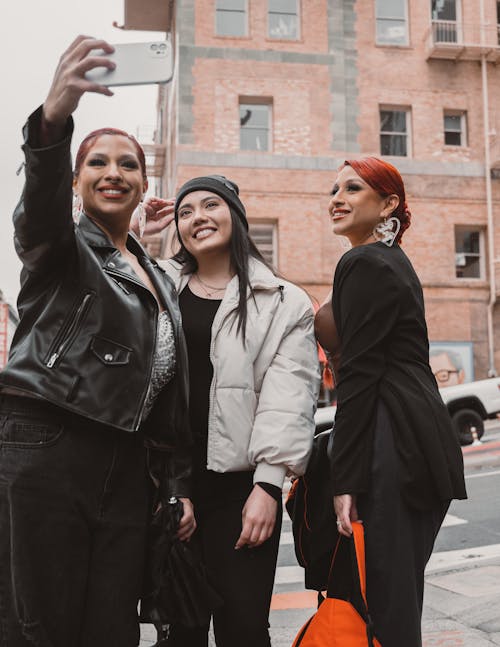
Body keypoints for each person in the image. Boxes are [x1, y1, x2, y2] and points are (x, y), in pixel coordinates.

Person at [0, 36, 194, 647]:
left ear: (145, 183)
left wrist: (173, 483)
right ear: (77, 180)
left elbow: (156, 387)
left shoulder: (154, 272)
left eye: (129, 164)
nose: (114, 172)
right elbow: (39, 218)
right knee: (42, 626)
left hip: (127, 462)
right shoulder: (60, 249)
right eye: (97, 163)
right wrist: (54, 121)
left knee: (111, 627)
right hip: (48, 440)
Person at [134, 175, 320, 646]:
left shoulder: (283, 300)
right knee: (179, 630)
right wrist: (135, 235)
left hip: (241, 487)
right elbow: (95, 281)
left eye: (210, 205)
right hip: (167, 485)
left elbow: (290, 395)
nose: (198, 217)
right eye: (186, 211)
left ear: (235, 215)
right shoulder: (156, 285)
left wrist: (268, 485)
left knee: (243, 628)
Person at [314, 157, 467, 647]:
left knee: (385, 607)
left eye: (353, 189)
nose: (336, 198)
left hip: (390, 441)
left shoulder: (363, 262)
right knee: (394, 602)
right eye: (334, 188)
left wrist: (346, 477)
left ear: (388, 204)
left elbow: (359, 376)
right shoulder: (390, 261)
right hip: (417, 439)